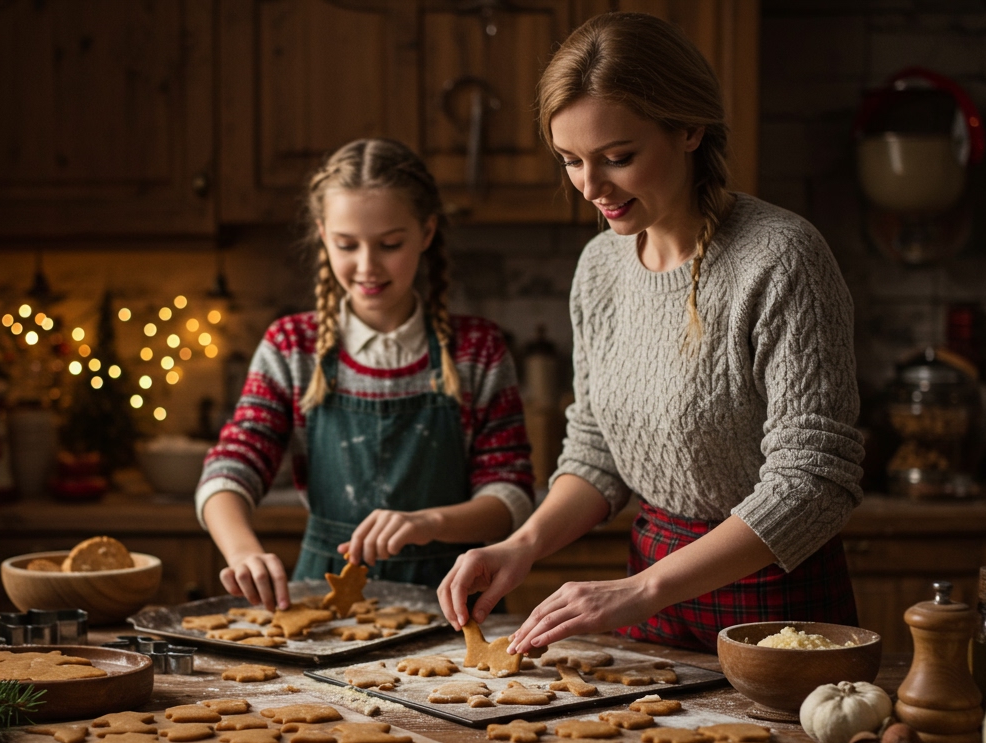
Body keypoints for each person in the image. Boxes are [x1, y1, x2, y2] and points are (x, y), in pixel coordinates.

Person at [438, 12, 865, 655]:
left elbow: (814, 484)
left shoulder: (781, 258)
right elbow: (596, 455)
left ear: (690, 128)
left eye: (617, 158)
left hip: (774, 602)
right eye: (570, 161)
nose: (590, 186)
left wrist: (641, 590)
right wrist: (519, 545)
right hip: (649, 594)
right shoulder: (600, 267)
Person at [197, 138, 534, 611]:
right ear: (322, 234)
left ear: (427, 232)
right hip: (324, 605)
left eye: (390, 244)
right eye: (346, 244)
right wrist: (242, 551)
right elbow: (232, 465)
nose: (367, 266)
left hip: (454, 603)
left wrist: (430, 522)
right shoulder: (292, 346)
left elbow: (509, 495)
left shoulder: (477, 350)